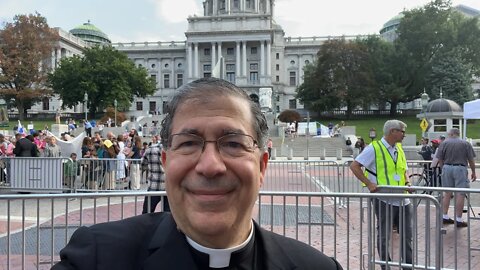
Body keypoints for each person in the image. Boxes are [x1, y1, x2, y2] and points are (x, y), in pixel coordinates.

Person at [53, 77, 342, 270]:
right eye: (189, 143)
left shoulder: (317, 267)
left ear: (262, 165)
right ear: (166, 162)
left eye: (232, 143)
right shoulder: (95, 259)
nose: (210, 166)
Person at [350, 120, 412, 270]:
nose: (404, 134)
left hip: (403, 198)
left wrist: (408, 182)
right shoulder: (374, 148)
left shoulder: (399, 148)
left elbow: (403, 169)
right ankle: (385, 265)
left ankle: (408, 266)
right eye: (402, 131)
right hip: (384, 198)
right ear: (392, 131)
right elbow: (355, 166)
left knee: (407, 234)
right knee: (384, 233)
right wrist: (369, 183)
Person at [435, 128, 476, 228]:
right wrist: (473, 172)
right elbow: (471, 159)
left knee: (447, 193)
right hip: (460, 168)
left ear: (451, 134)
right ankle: (458, 219)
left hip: (447, 167)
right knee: (460, 194)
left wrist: (442, 168)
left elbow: (439, 158)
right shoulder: (465, 144)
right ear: (458, 134)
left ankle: (444, 216)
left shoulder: (444, 143)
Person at [141, 135, 168, 214]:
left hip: (154, 186)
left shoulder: (150, 149)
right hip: (168, 187)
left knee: (147, 212)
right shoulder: (172, 150)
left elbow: (143, 164)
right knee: (168, 215)